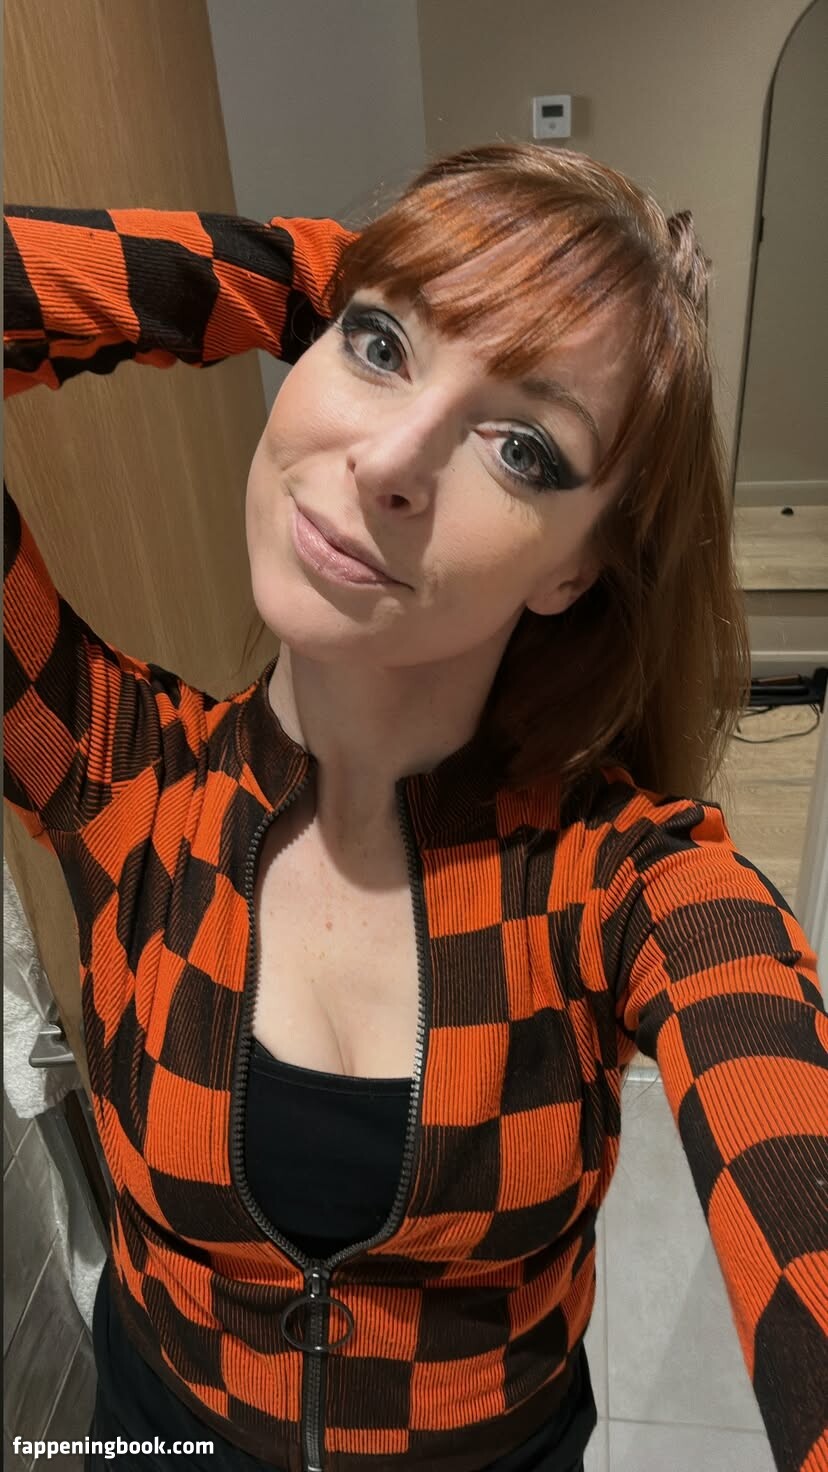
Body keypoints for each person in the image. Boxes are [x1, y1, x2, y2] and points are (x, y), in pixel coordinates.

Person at [3, 142, 826, 1472]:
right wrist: (316, 275)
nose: (389, 459)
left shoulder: (631, 890)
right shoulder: (120, 774)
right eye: (378, 348)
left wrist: (406, 303)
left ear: (575, 572)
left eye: (524, 449)